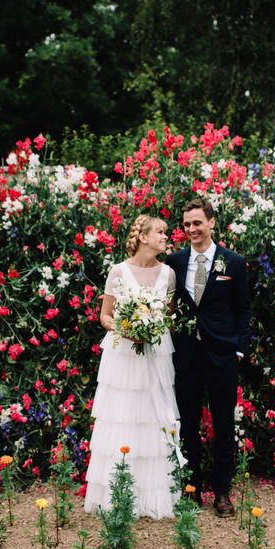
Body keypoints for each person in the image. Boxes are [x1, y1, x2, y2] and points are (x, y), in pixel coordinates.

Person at [84, 214, 182, 519]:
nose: (166, 237)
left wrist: (152, 328)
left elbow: (168, 316)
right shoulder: (118, 272)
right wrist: (126, 329)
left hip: (156, 353)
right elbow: (105, 316)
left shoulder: (169, 275)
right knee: (123, 418)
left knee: (153, 416)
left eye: (166, 233)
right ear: (143, 237)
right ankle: (117, 494)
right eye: (161, 233)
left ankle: (153, 497)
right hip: (123, 354)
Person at [166, 198, 251, 517]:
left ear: (211, 223)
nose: (191, 229)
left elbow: (243, 310)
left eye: (197, 223)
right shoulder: (174, 261)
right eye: (186, 224)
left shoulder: (234, 262)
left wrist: (238, 349)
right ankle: (192, 489)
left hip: (223, 356)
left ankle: (223, 493)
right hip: (186, 356)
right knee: (187, 426)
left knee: (223, 425)